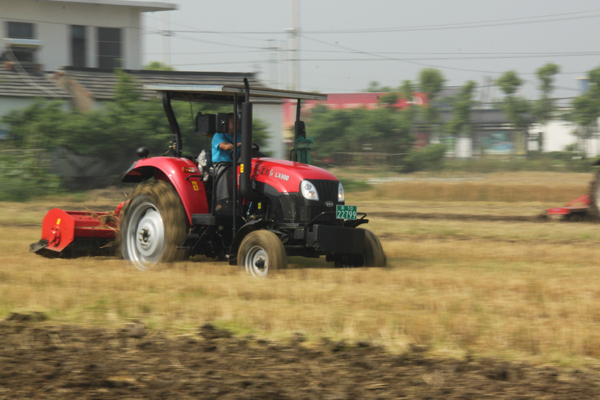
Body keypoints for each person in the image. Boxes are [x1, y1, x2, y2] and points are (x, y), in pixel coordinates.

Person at [210, 114, 241, 214]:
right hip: (221, 164)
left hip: (236, 164)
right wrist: (243, 143)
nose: (237, 125)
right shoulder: (218, 135)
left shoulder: (239, 136)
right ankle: (222, 201)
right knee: (225, 170)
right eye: (234, 122)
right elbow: (226, 147)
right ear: (227, 123)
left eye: (238, 123)